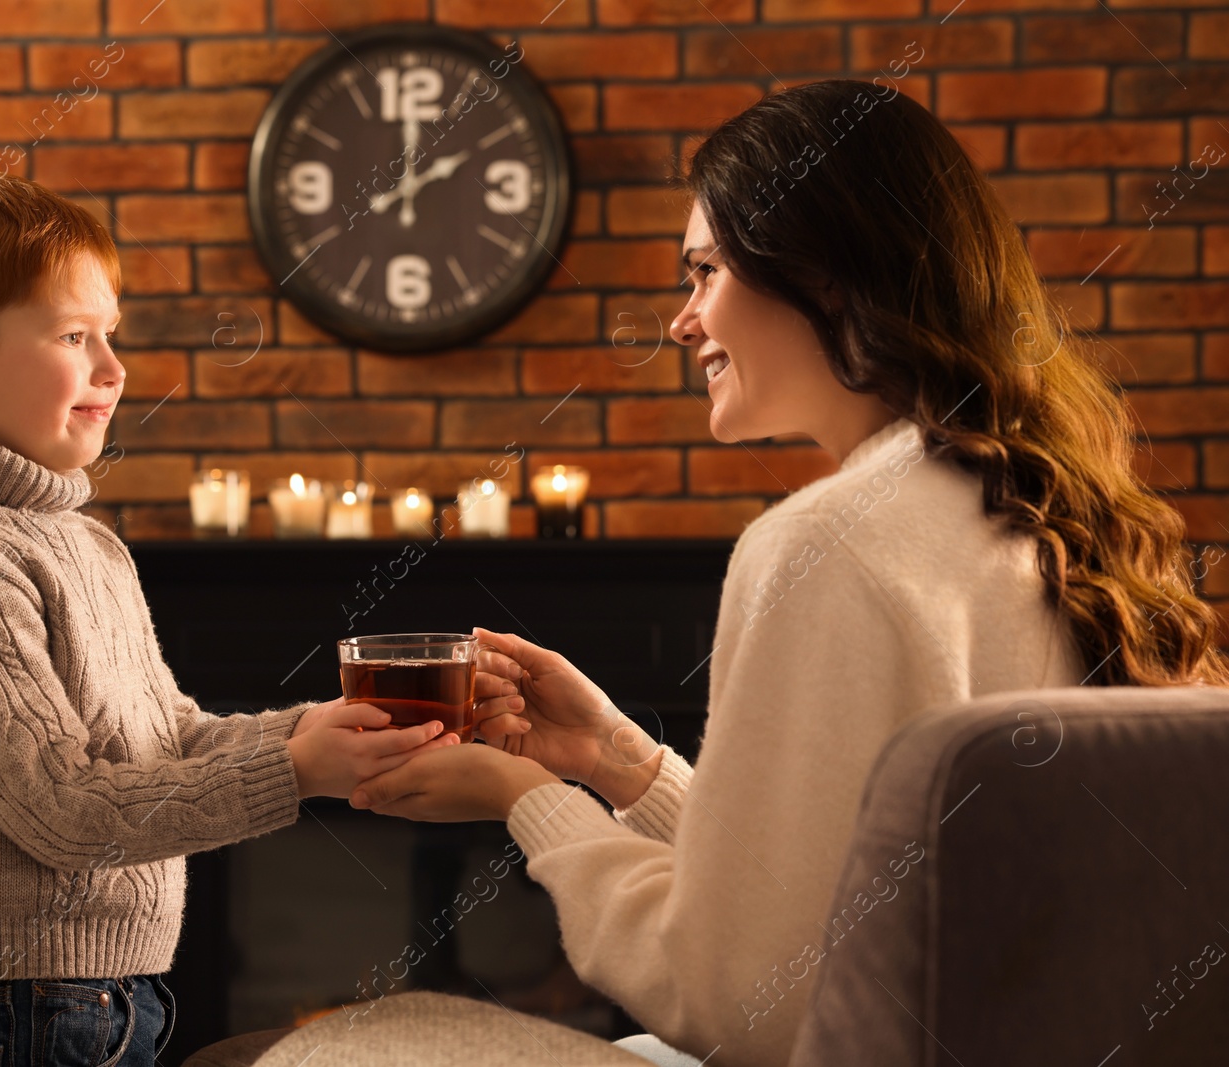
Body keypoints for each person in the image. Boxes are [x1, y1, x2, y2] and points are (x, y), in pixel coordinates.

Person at [343, 79, 1229, 1067]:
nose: (681, 321)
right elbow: (837, 900)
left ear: (826, 276)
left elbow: (732, 1001)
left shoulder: (826, 545)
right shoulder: (1041, 513)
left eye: (704, 270)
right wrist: (617, 760)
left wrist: (525, 798)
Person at [0, 168, 458, 1066]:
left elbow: (167, 735)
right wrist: (291, 774)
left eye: (110, 334)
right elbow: (64, 809)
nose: (113, 368)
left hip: (109, 996)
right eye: (72, 335)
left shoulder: (80, 541)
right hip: (7, 1013)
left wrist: (306, 734)